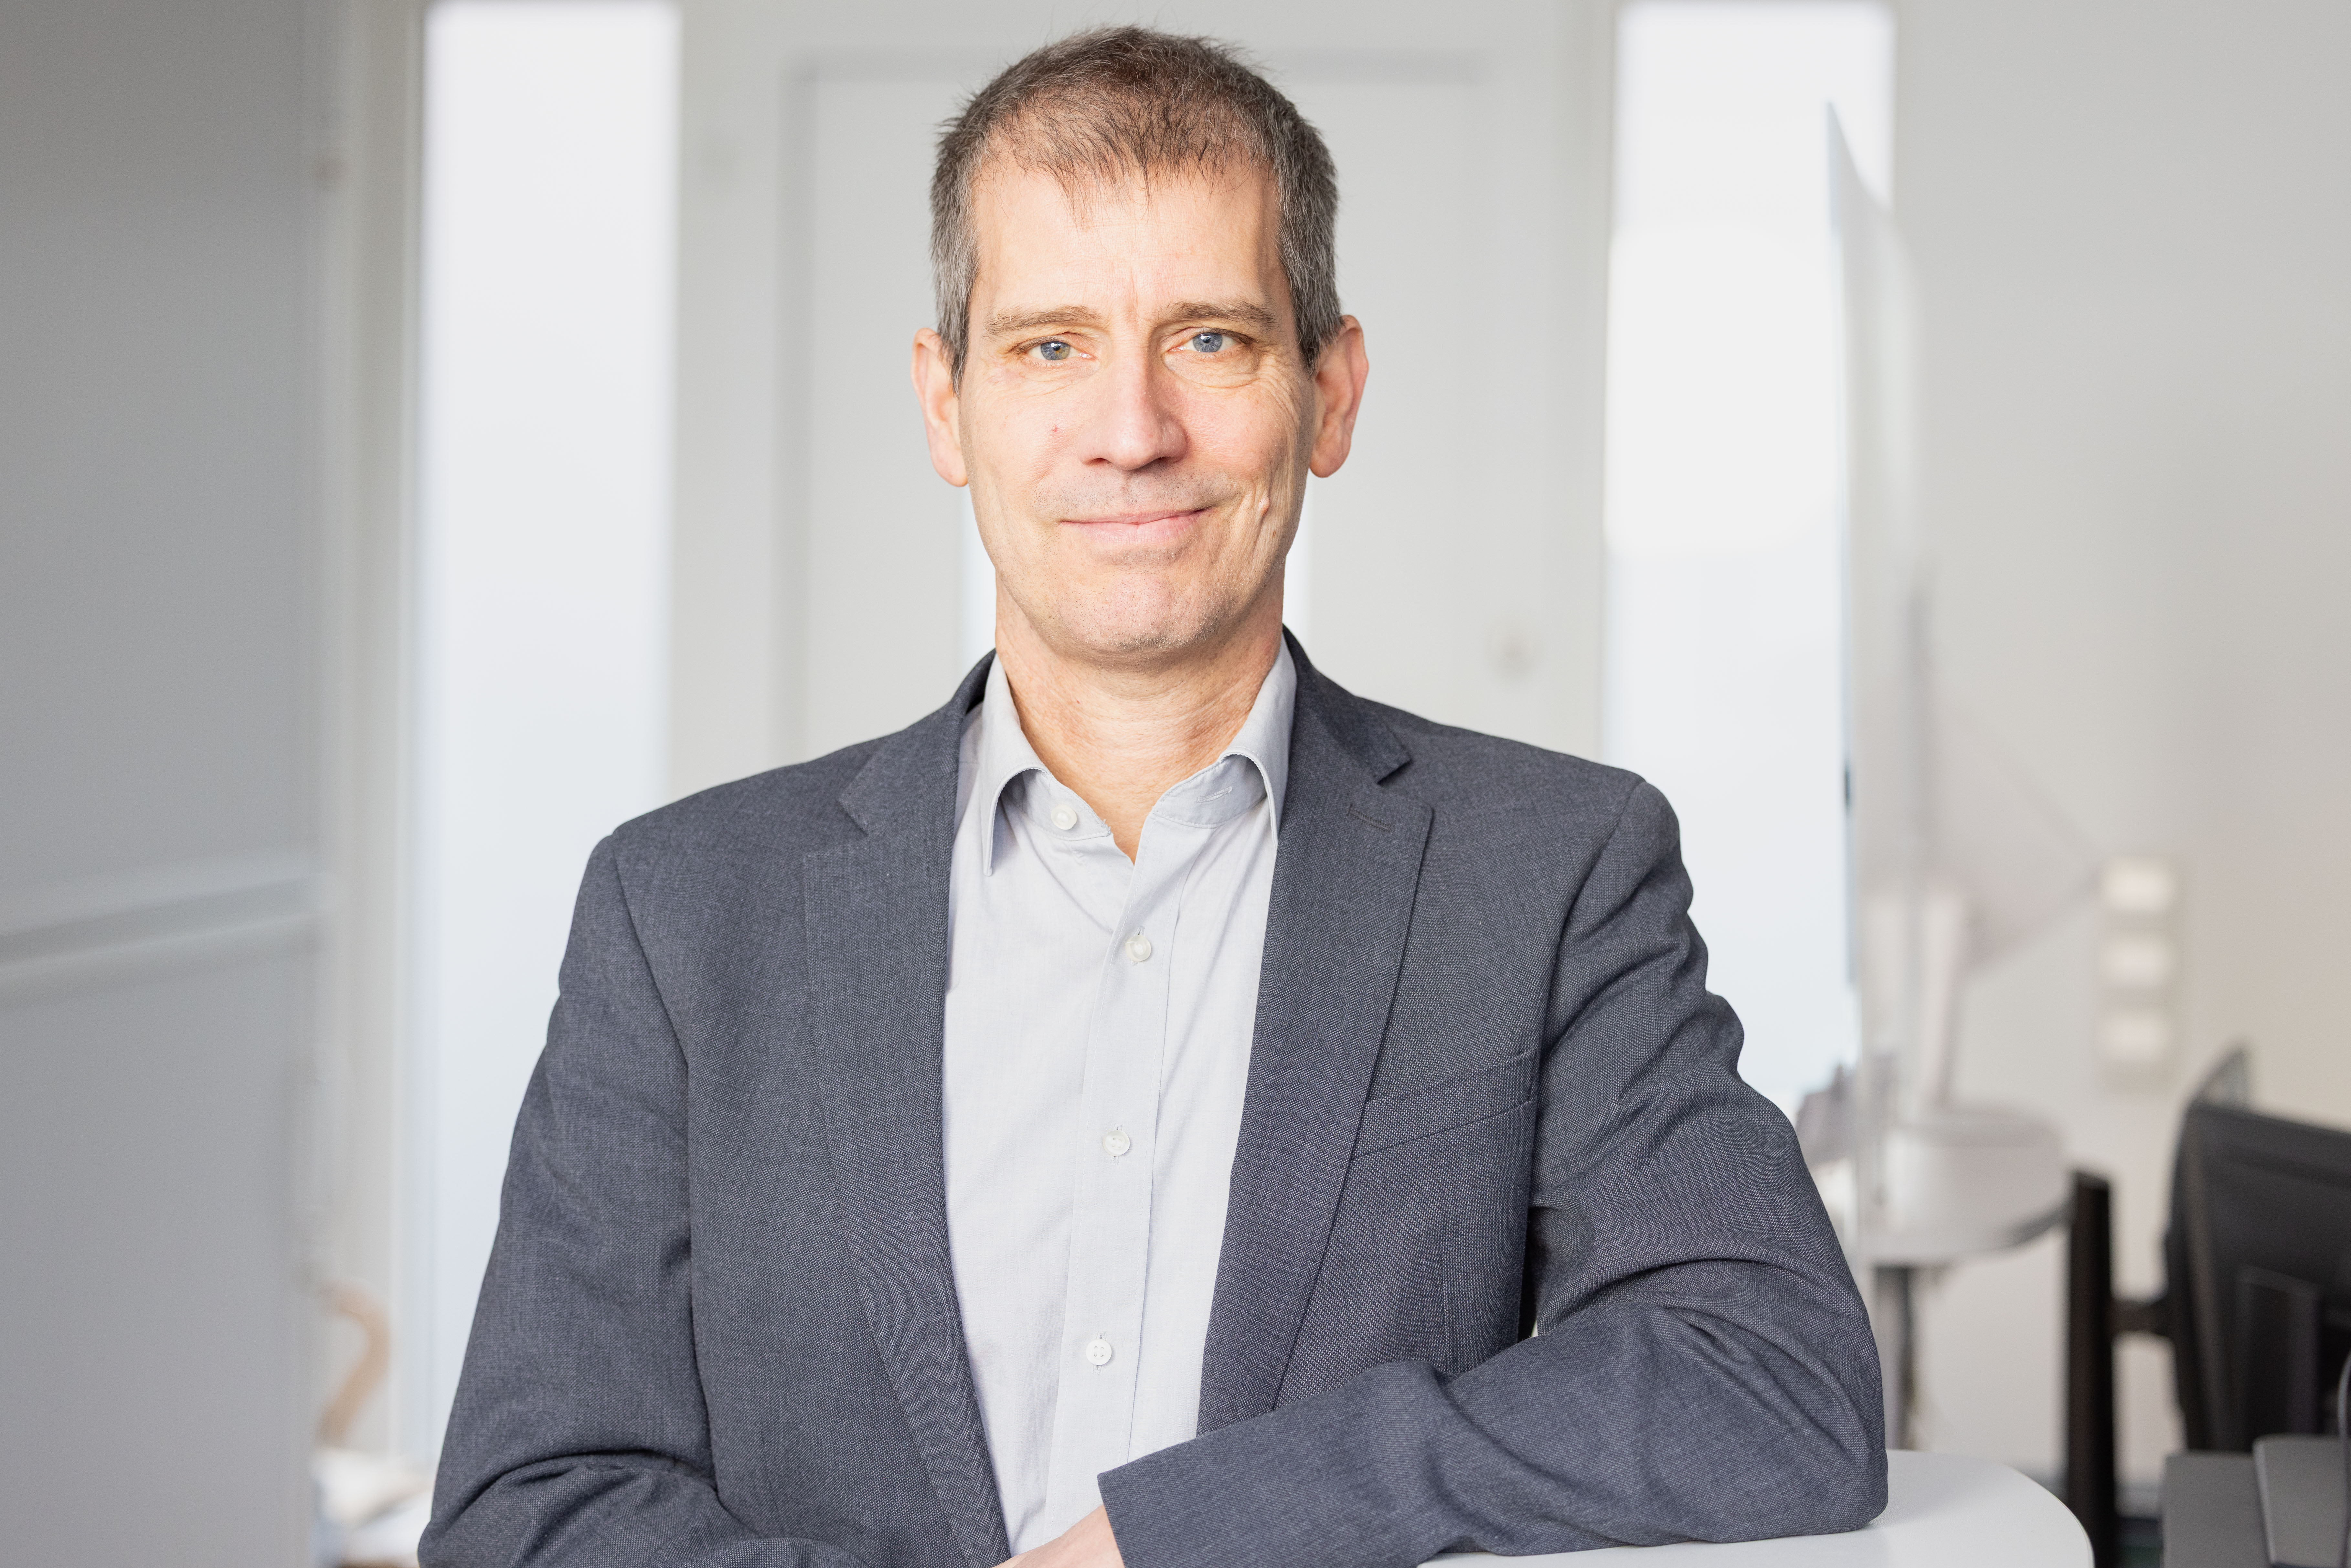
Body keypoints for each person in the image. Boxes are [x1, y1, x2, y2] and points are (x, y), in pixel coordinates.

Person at [422, 25, 1885, 1568]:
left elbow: (1774, 1385)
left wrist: (1179, 1533)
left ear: (1331, 392)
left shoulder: (1550, 872)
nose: (1131, 432)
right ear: (945, 403)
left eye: (1211, 340)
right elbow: (532, 1509)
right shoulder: (680, 911)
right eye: (1048, 347)